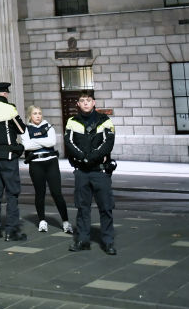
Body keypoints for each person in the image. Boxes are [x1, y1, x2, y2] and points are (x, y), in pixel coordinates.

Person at [65, 89, 117, 255]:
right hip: (82, 172)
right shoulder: (72, 121)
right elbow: (69, 143)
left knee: (106, 208)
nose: (86, 103)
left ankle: (108, 242)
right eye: (82, 100)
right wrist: (83, 157)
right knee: (82, 208)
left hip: (100, 172)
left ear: (94, 102)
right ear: (78, 104)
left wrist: (90, 157)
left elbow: (108, 144)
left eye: (88, 100)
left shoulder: (105, 121)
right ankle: (82, 240)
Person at [0, 82, 28, 241]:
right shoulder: (9, 108)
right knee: (12, 193)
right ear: (6, 93)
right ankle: (11, 230)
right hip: (8, 157)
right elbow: (21, 129)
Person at [23, 105, 72, 234]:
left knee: (57, 193)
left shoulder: (48, 126)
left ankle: (66, 222)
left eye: (39, 113)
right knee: (40, 193)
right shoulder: (26, 129)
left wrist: (35, 141)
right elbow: (27, 145)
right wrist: (42, 141)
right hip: (35, 164)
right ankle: (42, 221)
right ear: (30, 116)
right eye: (35, 113)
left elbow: (52, 142)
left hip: (51, 162)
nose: (38, 115)